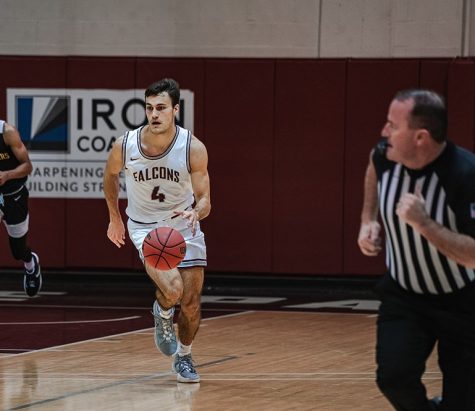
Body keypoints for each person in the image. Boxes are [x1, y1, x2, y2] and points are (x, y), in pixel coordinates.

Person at [357, 89, 475, 411]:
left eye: (393, 125)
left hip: (463, 301)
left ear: (421, 136)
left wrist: (424, 224)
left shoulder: (465, 174)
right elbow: (372, 164)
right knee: (393, 378)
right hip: (405, 295)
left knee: (463, 401)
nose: (384, 132)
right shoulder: (384, 155)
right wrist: (368, 219)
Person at [103, 78, 211, 384]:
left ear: (175, 109)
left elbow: (205, 200)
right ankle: (163, 311)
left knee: (190, 304)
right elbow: (109, 177)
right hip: (146, 229)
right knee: (173, 289)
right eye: (149, 108)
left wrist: (195, 212)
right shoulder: (126, 145)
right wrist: (114, 218)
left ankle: (185, 356)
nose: (154, 114)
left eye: (161, 108)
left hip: (184, 225)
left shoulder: (192, 147)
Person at [0, 120, 42, 297]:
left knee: (18, 250)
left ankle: (30, 263)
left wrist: (7, 175)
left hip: (14, 195)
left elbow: (28, 166)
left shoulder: (7, 132)